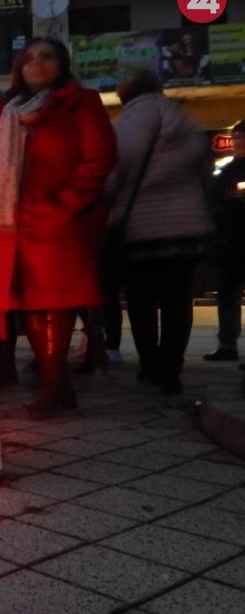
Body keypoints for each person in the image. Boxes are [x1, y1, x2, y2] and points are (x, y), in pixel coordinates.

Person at [0, 37, 117, 419]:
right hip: (11, 226)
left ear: (62, 63)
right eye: (28, 58)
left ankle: (51, 384)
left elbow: (100, 158)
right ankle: (59, 382)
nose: (36, 63)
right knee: (28, 305)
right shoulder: (5, 112)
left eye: (46, 56)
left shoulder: (80, 103)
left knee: (55, 303)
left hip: (59, 224)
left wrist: (64, 204)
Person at [105, 70, 212, 395]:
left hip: (140, 229)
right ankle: (171, 368)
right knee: (178, 301)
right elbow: (203, 171)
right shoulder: (184, 121)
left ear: (125, 95)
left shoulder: (125, 127)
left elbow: (111, 177)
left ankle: (150, 364)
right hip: (185, 227)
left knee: (141, 302)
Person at [204, 121, 245, 362]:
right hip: (228, 240)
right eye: (236, 137)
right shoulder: (228, 169)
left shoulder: (229, 170)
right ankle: (227, 343)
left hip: (231, 239)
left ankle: (228, 343)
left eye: (241, 137)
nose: (238, 142)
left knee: (228, 293)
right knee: (227, 293)